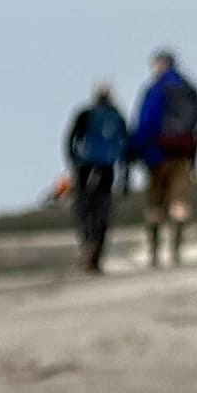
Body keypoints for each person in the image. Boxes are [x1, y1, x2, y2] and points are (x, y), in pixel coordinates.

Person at [130, 50, 197, 265]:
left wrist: (136, 149)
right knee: (180, 201)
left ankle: (154, 254)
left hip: (157, 154)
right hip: (183, 154)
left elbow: (146, 122)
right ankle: (176, 252)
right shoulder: (188, 87)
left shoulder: (155, 90)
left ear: (160, 64)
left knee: (155, 203)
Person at [58, 82, 130, 272]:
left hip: (85, 166)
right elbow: (125, 147)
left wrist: (74, 160)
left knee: (84, 206)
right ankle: (97, 248)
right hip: (107, 167)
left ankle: (88, 243)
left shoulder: (85, 114)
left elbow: (70, 139)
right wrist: (125, 178)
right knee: (103, 207)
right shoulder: (117, 116)